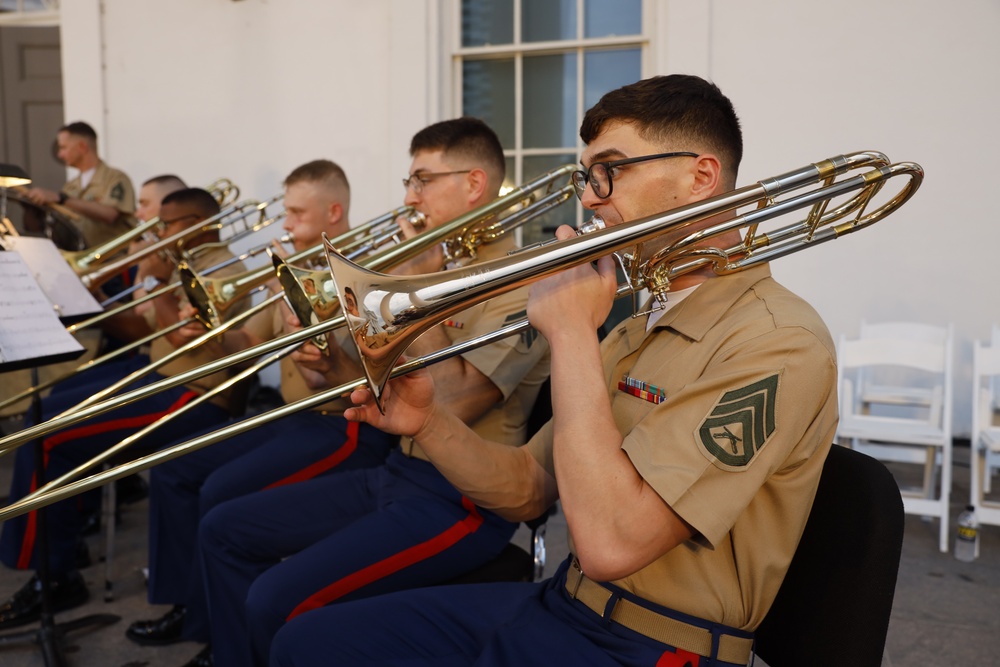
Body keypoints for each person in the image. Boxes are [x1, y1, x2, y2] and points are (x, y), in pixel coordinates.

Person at [269, 74, 840, 667]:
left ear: (700, 178)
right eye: (587, 177)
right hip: (567, 605)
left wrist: (570, 333)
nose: (590, 199)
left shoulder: (779, 341)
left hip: (654, 645)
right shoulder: (636, 327)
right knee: (307, 643)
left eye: (610, 171)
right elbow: (525, 488)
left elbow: (611, 544)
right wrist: (428, 421)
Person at [189, 117, 551, 667]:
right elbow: (374, 392)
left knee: (276, 601)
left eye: (422, 180)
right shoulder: (436, 265)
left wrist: (419, 289)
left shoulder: (521, 282)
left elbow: (453, 403)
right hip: (397, 471)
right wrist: (325, 361)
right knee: (222, 529)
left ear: (474, 184)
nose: (409, 197)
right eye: (410, 181)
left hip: (461, 500)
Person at [123, 160, 398, 664]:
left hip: (342, 423)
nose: (286, 224)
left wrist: (306, 319)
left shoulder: (368, 267)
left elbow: (347, 367)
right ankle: (195, 610)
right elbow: (251, 346)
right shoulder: (291, 264)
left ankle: (228, 645)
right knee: (175, 470)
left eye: (295, 213)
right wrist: (209, 330)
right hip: (291, 417)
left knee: (221, 493)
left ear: (333, 212)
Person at [0, 187, 249, 630]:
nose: (158, 232)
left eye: (167, 225)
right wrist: (86, 300)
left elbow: (181, 335)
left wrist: (153, 280)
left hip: (194, 394)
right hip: (163, 378)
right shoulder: (182, 263)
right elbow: (144, 326)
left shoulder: (221, 267)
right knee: (47, 411)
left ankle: (53, 576)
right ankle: (58, 547)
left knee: (50, 433)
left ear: (196, 224)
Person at [23, 121, 136, 248]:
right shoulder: (71, 186)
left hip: (114, 259)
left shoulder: (115, 178)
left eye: (63, 147)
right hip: (83, 259)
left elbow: (110, 215)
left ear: (82, 147)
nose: (60, 154)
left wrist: (62, 199)